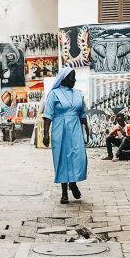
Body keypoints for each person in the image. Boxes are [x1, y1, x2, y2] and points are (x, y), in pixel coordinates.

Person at [42, 67, 88, 204]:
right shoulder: (54, 94)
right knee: (63, 157)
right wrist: (46, 134)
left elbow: (83, 114)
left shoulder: (78, 94)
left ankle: (73, 183)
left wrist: (87, 128)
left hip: (75, 128)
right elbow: (47, 115)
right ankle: (64, 192)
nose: (74, 80)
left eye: (74, 77)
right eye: (72, 77)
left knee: (78, 157)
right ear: (64, 78)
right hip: (59, 128)